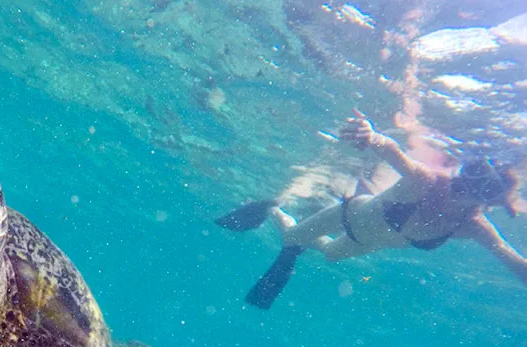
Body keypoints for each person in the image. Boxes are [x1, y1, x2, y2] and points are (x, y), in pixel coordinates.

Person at [217, 111, 527, 309]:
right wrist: (370, 135)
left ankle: (285, 218)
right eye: (473, 170)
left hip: (365, 242)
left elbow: (511, 257)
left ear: (492, 202)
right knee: (292, 239)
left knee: (328, 253)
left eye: (485, 188)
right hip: (348, 214)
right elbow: (394, 152)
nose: (468, 184)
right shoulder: (426, 181)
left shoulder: (472, 227)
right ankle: (273, 209)